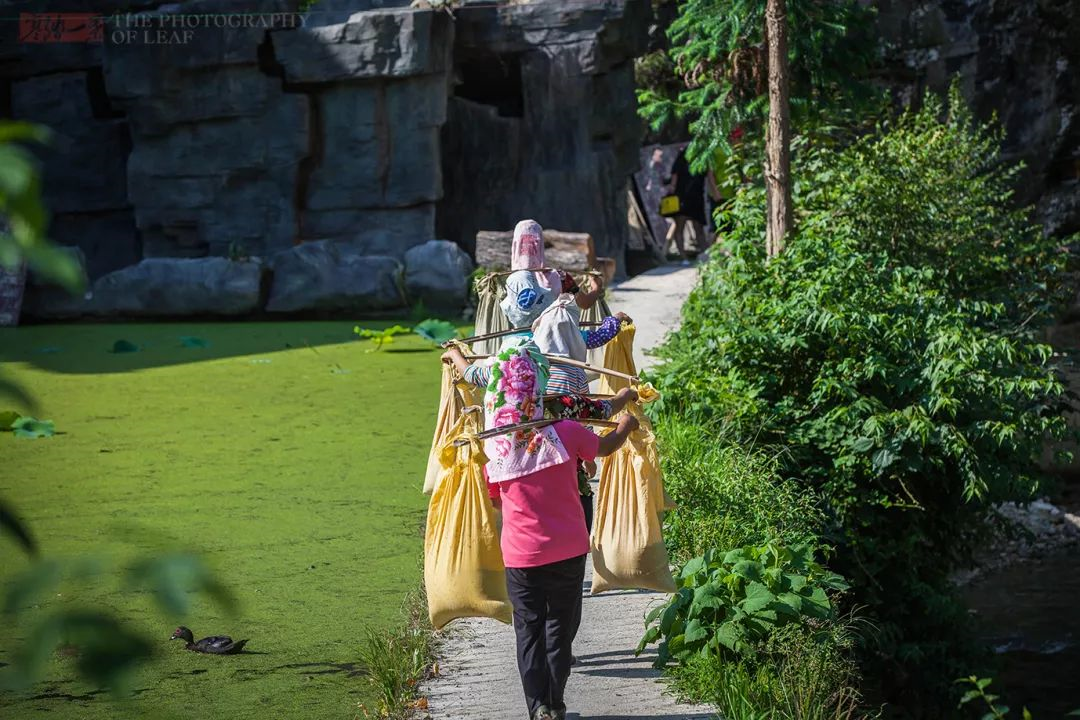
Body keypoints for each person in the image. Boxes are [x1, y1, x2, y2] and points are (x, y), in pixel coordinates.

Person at [484, 346, 639, 720]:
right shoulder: (565, 433)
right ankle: (556, 701)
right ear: (538, 393)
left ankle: (540, 706)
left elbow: (494, 503)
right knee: (559, 627)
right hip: (568, 550)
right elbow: (602, 448)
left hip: (521, 557)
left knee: (530, 629)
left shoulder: (495, 451)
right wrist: (627, 426)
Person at [663, 145, 708, 265]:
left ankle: (705, 254)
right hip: (682, 195)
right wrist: (672, 188)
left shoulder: (703, 156)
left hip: (696, 195)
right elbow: (675, 174)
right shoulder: (683, 155)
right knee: (681, 226)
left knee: (698, 226)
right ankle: (683, 256)